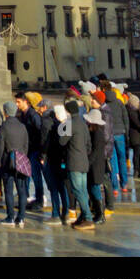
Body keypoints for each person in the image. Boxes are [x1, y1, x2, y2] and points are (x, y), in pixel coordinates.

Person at [58, 98, 94, 231]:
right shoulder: (83, 123)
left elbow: (62, 141)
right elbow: (89, 144)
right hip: (83, 161)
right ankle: (84, 217)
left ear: (67, 111)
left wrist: (62, 125)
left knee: (77, 190)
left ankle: (88, 218)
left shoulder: (70, 123)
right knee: (83, 190)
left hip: (74, 161)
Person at [0, 100, 30, 228]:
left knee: (8, 190)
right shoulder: (22, 126)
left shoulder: (4, 127)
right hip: (21, 159)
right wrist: (22, 156)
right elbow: (26, 144)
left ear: (5, 112)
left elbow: (0, 146)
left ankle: (10, 216)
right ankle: (21, 217)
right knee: (21, 191)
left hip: (7, 161)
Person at [100, 78, 129, 194]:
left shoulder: (103, 104)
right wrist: (126, 132)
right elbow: (125, 118)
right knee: (122, 158)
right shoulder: (119, 102)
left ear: (103, 89)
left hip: (109, 134)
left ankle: (115, 187)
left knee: (112, 160)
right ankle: (124, 184)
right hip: (120, 132)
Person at [15, 92, 44, 208]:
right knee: (24, 175)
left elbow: (40, 131)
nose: (17, 104)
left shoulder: (33, 114)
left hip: (34, 149)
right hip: (26, 149)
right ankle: (24, 199)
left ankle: (39, 200)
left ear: (25, 102)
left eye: (18, 102)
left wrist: (40, 150)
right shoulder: (21, 114)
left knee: (36, 176)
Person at [42, 103, 70, 223]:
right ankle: (67, 212)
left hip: (53, 160)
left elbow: (47, 144)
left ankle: (55, 214)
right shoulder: (66, 126)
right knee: (63, 187)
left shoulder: (53, 127)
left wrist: (43, 156)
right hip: (63, 161)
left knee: (54, 188)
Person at [85, 107, 108, 224]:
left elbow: (95, 151)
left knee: (95, 189)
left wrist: (88, 163)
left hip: (96, 166)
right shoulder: (95, 131)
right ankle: (97, 212)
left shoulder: (98, 134)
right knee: (92, 188)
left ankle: (101, 214)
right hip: (95, 165)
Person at [125, 92, 140, 177]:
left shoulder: (128, 109)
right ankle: (137, 171)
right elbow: (138, 123)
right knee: (138, 154)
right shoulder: (132, 112)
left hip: (135, 136)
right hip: (136, 136)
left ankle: (138, 171)